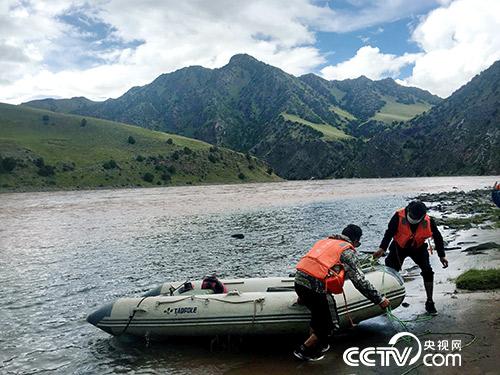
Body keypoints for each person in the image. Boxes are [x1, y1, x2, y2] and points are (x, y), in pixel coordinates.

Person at [293, 224, 390, 361]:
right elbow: (359, 281)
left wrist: (302, 297)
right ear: (355, 241)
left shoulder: (325, 242)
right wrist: (379, 300)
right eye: (358, 243)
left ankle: (320, 345)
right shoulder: (347, 252)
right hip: (316, 288)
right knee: (330, 324)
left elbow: (312, 266)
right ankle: (304, 350)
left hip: (299, 282)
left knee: (318, 316)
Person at [373, 201, 448, 315]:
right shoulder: (398, 216)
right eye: (412, 216)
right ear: (408, 211)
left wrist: (442, 256)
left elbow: (437, 237)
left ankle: (430, 302)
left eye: (416, 217)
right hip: (399, 247)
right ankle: (385, 303)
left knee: (428, 271)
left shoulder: (428, 221)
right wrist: (382, 248)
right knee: (391, 273)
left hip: (418, 248)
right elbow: (389, 233)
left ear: (423, 216)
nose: (413, 218)